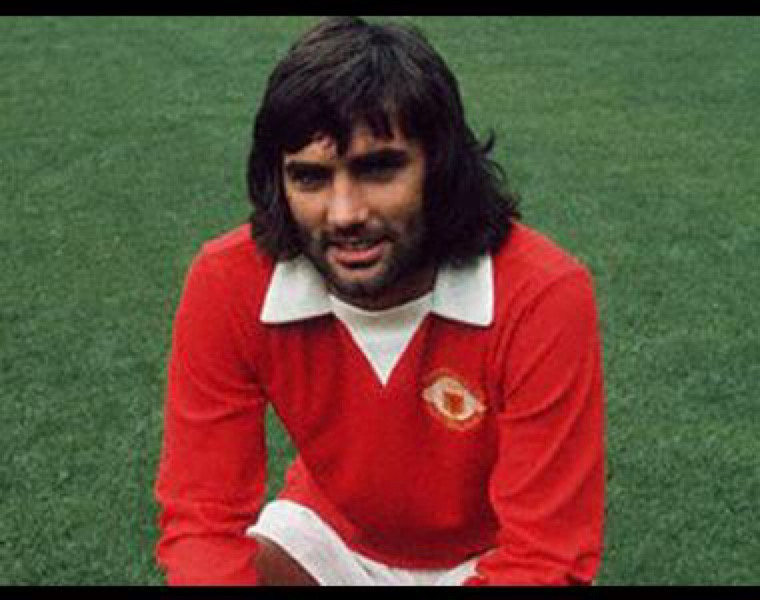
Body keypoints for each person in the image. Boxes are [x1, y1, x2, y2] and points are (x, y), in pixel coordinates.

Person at [154, 16, 605, 586]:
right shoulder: (229, 281)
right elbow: (202, 518)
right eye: (310, 178)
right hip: (330, 536)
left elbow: (545, 556)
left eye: (378, 169)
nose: (344, 213)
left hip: (490, 556)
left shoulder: (542, 292)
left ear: (440, 166)